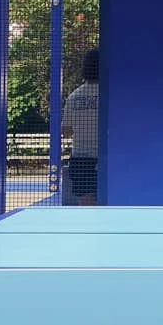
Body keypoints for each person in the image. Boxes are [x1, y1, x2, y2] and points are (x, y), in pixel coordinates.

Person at [62, 48, 100, 206]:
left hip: (80, 159)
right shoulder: (110, 94)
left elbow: (66, 131)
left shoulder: (73, 96)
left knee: (85, 203)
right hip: (105, 157)